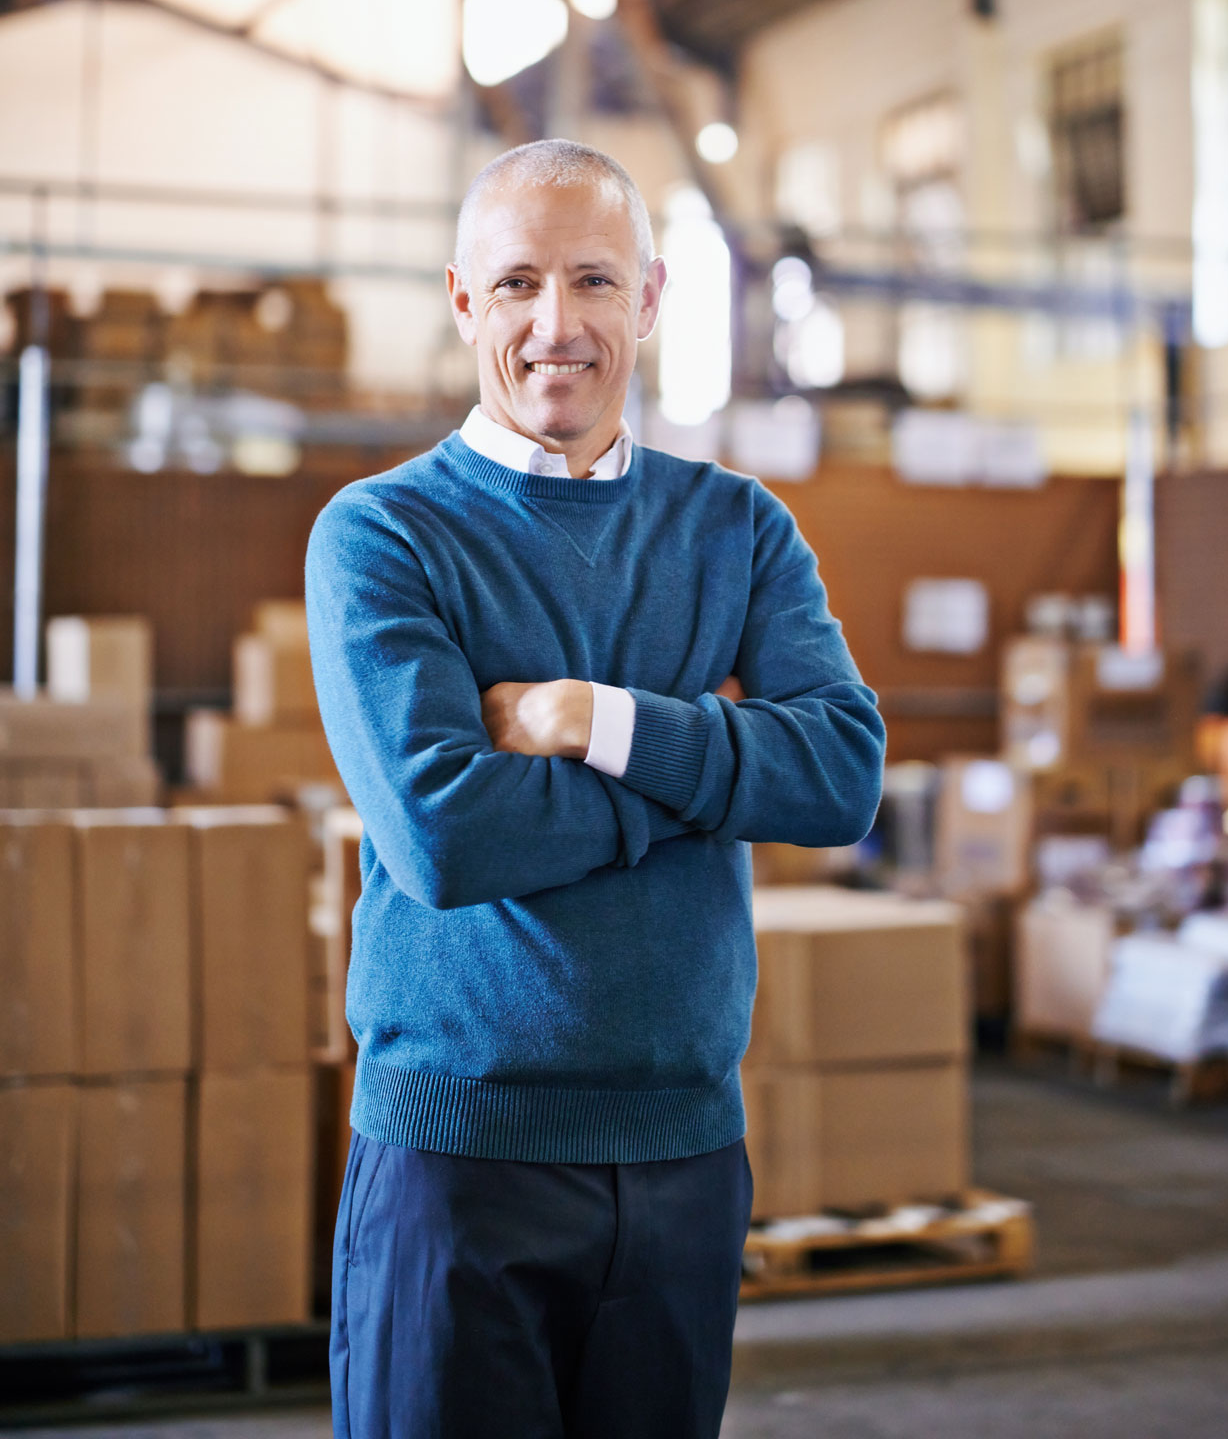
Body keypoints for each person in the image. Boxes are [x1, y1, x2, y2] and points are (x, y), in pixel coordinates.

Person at [307, 138, 884, 1439]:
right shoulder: (385, 534)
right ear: (464, 303)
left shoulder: (737, 529)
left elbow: (843, 775)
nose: (555, 326)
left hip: (686, 1160)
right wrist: (709, 781)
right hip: (463, 1158)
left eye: (593, 282)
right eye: (516, 285)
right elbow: (448, 833)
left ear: (652, 298)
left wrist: (598, 721)